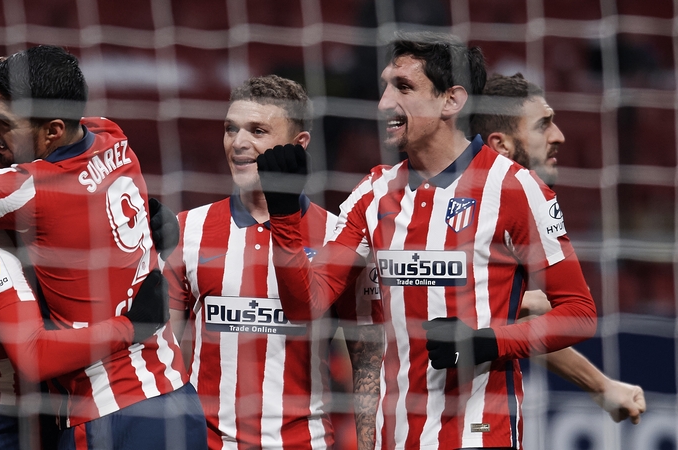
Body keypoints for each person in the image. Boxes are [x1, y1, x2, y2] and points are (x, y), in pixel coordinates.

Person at [256, 31, 598, 449]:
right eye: (385, 86)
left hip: (480, 435)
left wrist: (486, 343)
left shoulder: (514, 187)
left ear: (451, 100)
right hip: (393, 437)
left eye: (403, 87)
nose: (384, 103)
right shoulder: (373, 192)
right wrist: (286, 213)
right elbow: (305, 305)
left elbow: (579, 312)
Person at [0, 46, 206, 449]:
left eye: (5, 124)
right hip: (175, 395)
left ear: (53, 131)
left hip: (105, 415)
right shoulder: (111, 135)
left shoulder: (20, 192)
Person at [163, 75, 384, 450]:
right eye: (231, 129)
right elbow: (165, 355)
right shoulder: (188, 229)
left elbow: (367, 362)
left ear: (299, 145)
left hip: (306, 442)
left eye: (258, 130)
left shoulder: (340, 235)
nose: (239, 143)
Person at [471, 72, 646, 424]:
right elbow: (427, 305)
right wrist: (518, 302)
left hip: (476, 417)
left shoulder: (514, 203)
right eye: (543, 125)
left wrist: (600, 386)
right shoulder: (455, 204)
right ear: (501, 144)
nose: (560, 136)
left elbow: (490, 324)